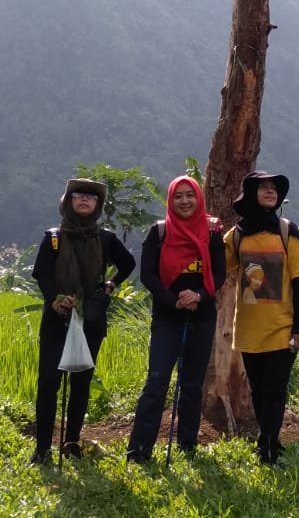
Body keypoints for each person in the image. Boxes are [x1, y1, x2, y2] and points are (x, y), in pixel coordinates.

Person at [27, 178, 137, 465]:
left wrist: (110, 286)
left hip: (90, 319)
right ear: (68, 201)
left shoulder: (105, 238)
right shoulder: (53, 237)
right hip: (57, 317)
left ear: (98, 205)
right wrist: (56, 299)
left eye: (91, 197)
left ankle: (72, 442)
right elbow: (42, 274)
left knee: (81, 382)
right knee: (49, 382)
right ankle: (42, 448)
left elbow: (128, 264)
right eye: (79, 195)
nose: (85, 200)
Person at [126, 175, 225, 463]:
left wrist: (197, 296)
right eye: (178, 196)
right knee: (156, 383)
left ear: (198, 198)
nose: (184, 201)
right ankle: (139, 450)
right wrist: (175, 301)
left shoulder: (212, 231)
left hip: (202, 316)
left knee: (192, 385)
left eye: (189, 195)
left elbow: (219, 274)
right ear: (171, 199)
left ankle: (188, 445)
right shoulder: (158, 232)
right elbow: (148, 276)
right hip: (167, 318)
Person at [226, 171, 299, 465]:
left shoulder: (288, 232)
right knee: (258, 390)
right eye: (263, 187)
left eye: (274, 188)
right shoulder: (237, 235)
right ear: (251, 193)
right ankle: (269, 438)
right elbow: (217, 265)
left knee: (275, 388)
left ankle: (268, 446)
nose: (270, 191)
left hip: (281, 327)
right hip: (249, 329)